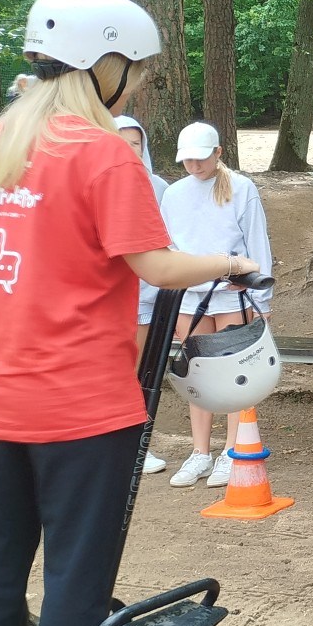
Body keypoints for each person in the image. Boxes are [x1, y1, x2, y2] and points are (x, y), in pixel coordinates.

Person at [0, 0, 262, 626]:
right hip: (81, 403)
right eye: (134, 71)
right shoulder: (102, 151)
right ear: (103, 63)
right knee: (77, 575)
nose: (136, 86)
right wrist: (229, 261)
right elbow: (153, 264)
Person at [159, 122, 276, 489]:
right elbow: (168, 245)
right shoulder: (174, 193)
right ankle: (200, 452)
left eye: (201, 158)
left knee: (234, 373)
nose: (194, 166)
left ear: (218, 153)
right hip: (190, 295)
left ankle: (231, 450)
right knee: (197, 372)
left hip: (231, 292)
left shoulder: (241, 188)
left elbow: (256, 242)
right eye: (187, 160)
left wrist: (261, 297)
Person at [113, 115, 172, 474]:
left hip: (145, 294)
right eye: (122, 141)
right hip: (105, 298)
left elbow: (167, 240)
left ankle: (134, 445)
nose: (130, 149)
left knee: (135, 371)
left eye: (136, 143)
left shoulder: (159, 187)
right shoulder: (96, 182)